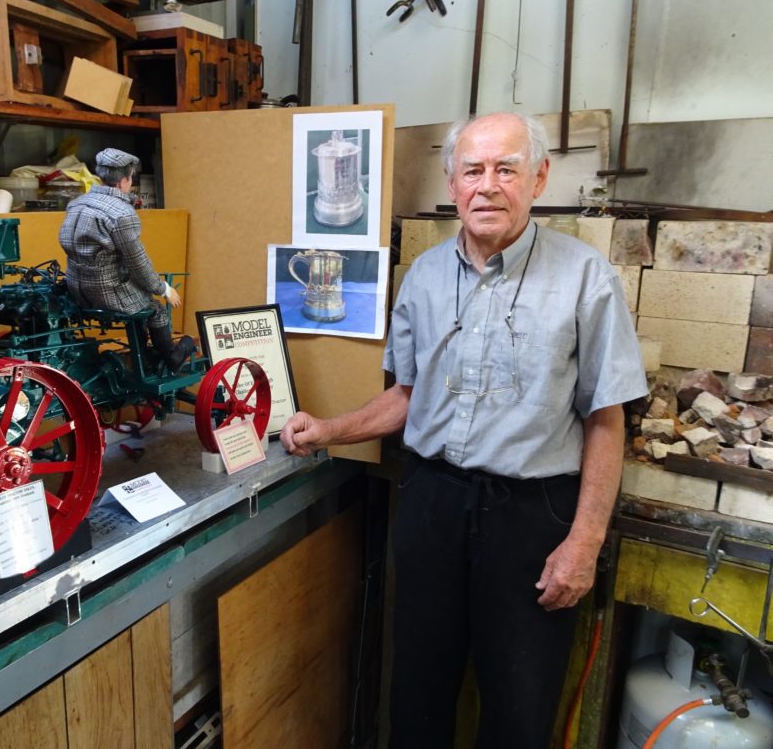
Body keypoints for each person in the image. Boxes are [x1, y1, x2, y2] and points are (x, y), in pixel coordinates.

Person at [281, 113, 647, 747]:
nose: (488, 185)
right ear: (452, 182)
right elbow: (407, 396)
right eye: (473, 170)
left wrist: (584, 544)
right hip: (432, 503)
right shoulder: (421, 277)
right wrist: (329, 429)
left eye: (506, 169)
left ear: (538, 178)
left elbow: (606, 418)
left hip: (533, 518)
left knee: (519, 703)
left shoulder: (587, 278)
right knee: (418, 688)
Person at [59, 148, 196, 372]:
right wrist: (163, 288)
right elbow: (137, 260)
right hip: (107, 292)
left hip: (77, 289)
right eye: (131, 178)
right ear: (125, 180)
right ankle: (171, 357)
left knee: (138, 298)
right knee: (154, 307)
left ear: (101, 177)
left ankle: (143, 355)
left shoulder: (77, 203)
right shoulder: (121, 213)